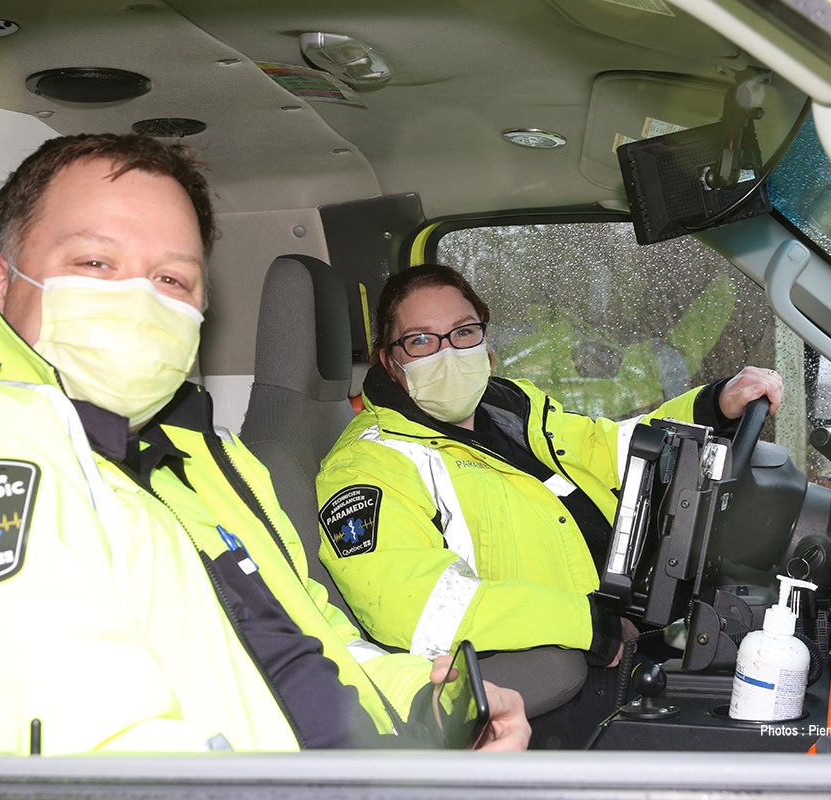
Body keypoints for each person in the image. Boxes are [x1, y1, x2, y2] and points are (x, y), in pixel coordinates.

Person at [0, 135, 529, 755]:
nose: (140, 301)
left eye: (172, 278)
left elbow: (315, 635)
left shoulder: (212, 457)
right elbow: (96, 758)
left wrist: (422, 700)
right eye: (95, 264)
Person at [314, 264, 783, 737]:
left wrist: (712, 405)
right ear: (390, 361)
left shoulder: (511, 408)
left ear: (486, 345)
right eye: (421, 340)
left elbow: (609, 449)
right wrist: (589, 625)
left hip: (632, 629)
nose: (448, 353)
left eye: (463, 332)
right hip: (549, 686)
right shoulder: (367, 466)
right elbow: (419, 607)